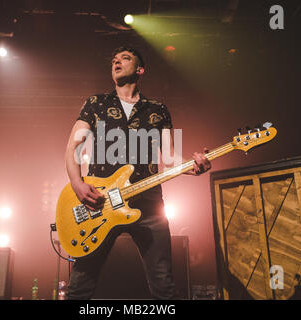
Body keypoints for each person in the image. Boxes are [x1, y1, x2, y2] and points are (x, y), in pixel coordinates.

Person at [64, 46, 211, 299]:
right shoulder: (96, 103)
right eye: (114, 59)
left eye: (125, 58)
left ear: (140, 70)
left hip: (149, 204)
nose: (116, 61)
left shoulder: (158, 109)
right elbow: (72, 147)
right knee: (80, 285)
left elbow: (171, 158)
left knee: (164, 285)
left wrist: (194, 165)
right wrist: (78, 185)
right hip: (101, 202)